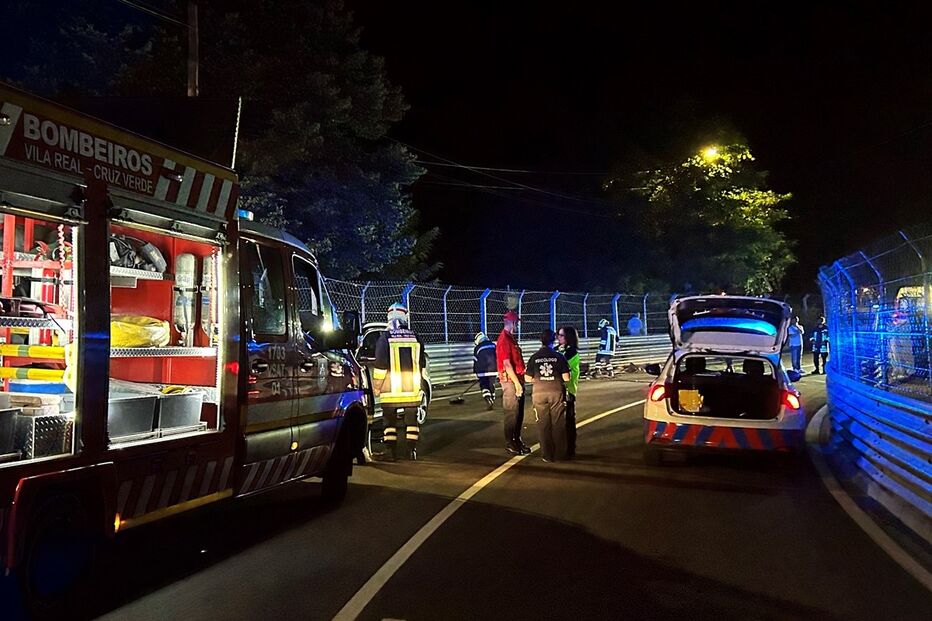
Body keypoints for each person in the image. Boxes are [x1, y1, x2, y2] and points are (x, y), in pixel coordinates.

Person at [371, 303, 426, 461]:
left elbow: (380, 365)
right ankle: (411, 451)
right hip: (412, 388)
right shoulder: (415, 337)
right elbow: (422, 363)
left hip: (391, 389)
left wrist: (377, 386)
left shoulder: (385, 338)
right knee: (411, 421)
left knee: (389, 422)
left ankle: (391, 452)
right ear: (405, 317)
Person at [525, 329, 571, 462]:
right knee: (558, 424)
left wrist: (539, 380)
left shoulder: (534, 357)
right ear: (553, 340)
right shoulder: (559, 356)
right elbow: (566, 377)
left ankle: (547, 455)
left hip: (539, 393)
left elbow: (527, 378)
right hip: (555, 391)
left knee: (543, 424)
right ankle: (560, 454)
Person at [496, 310, 529, 455]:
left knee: (519, 413)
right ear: (513, 323)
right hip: (510, 382)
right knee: (512, 413)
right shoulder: (504, 339)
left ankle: (517, 439)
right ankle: (511, 442)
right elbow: (507, 364)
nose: (518, 326)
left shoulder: (511, 338)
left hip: (516, 380)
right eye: (517, 323)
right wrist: (516, 384)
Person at [557, 325, 580, 458]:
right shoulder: (559, 350)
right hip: (559, 390)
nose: (558, 338)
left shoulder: (572, 352)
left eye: (561, 335)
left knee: (569, 421)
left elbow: (563, 367)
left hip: (568, 391)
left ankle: (570, 449)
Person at [473, 332, 497, 409]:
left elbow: (475, 360)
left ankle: (487, 398)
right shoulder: (493, 345)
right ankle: (492, 398)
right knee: (491, 384)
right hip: (494, 369)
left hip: (482, 371)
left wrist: (476, 371)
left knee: (484, 385)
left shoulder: (477, 348)